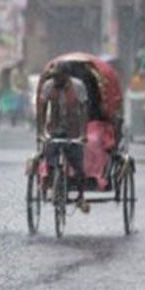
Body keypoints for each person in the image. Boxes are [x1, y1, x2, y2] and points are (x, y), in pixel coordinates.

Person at [38, 69, 90, 213]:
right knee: (50, 158)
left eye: (58, 78)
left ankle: (80, 196)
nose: (55, 81)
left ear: (66, 76)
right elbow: (42, 108)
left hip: (73, 130)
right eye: (54, 78)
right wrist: (41, 131)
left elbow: (84, 108)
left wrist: (83, 133)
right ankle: (52, 182)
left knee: (78, 167)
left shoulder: (77, 86)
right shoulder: (49, 86)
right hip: (54, 128)